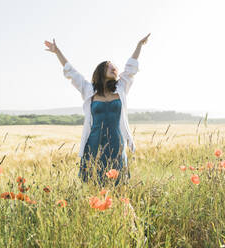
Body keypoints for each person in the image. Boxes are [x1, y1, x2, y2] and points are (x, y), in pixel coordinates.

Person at [44, 33, 150, 186]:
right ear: (100, 72)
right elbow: (72, 73)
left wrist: (139, 45)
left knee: (119, 183)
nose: (113, 68)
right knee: (94, 181)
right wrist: (57, 52)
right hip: (94, 142)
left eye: (114, 66)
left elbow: (131, 68)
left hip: (116, 142)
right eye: (108, 66)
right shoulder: (88, 90)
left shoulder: (121, 87)